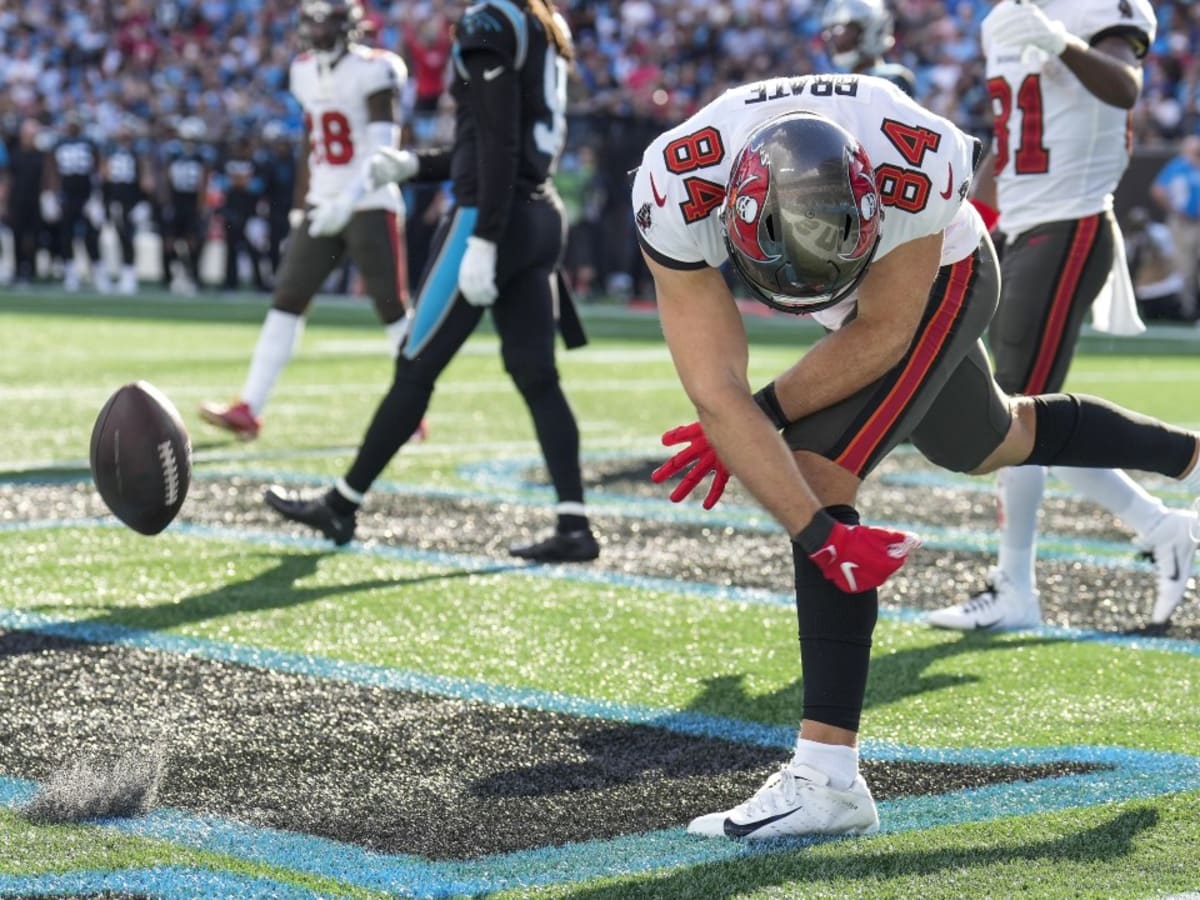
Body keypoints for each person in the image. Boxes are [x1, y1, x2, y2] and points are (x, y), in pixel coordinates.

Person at [639, 72, 1200, 840]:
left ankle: (827, 779)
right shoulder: (675, 186)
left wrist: (806, 504)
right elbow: (716, 392)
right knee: (993, 440)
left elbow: (880, 334)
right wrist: (756, 444)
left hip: (941, 275)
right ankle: (1193, 459)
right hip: (862, 295)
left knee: (815, 464)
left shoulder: (914, 154)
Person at [263, 0, 599, 563]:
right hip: (539, 212)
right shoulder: (540, 23)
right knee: (535, 374)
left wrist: (486, 236)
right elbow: (495, 144)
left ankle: (342, 503)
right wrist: (416, 166)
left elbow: (497, 146)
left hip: (491, 217)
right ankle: (574, 523)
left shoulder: (489, 21)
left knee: (415, 366)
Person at [926, 0, 1194, 632]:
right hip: (1024, 228)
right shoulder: (1001, 20)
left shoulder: (1093, 8)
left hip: (1070, 221)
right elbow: (1013, 143)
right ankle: (1163, 525)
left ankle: (1017, 589)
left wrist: (1059, 43)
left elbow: (1126, 86)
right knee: (1032, 421)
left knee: (1013, 415)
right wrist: (969, 229)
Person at [198, 0, 412, 441]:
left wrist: (348, 198)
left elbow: (383, 148)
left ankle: (413, 407)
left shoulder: (375, 69)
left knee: (391, 305)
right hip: (322, 201)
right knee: (287, 298)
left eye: (325, 20)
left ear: (347, 25)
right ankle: (250, 408)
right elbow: (310, 142)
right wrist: (303, 202)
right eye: (311, 20)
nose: (316, 29)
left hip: (369, 201)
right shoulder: (302, 71)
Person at [45, 112, 106, 293]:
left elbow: (98, 169)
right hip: (66, 195)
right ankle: (70, 273)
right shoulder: (58, 144)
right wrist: (50, 194)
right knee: (66, 235)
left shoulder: (90, 143)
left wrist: (97, 196)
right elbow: (52, 169)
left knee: (92, 235)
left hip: (86, 195)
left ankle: (98, 273)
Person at [1150, 134, 1200, 320]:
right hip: (1184, 223)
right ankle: (1188, 311)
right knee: (1185, 267)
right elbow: (1158, 190)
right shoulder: (1178, 166)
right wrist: (1175, 210)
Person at [820, 0, 916, 96]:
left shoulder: (892, 78)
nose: (831, 37)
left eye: (839, 29)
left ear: (870, 29)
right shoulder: (838, 82)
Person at [100, 119, 148, 296]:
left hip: (131, 202)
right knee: (114, 237)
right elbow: (104, 177)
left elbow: (146, 179)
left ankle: (130, 273)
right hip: (114, 201)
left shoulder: (137, 153)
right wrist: (102, 200)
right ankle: (115, 273)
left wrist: (144, 202)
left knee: (128, 237)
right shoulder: (111, 151)